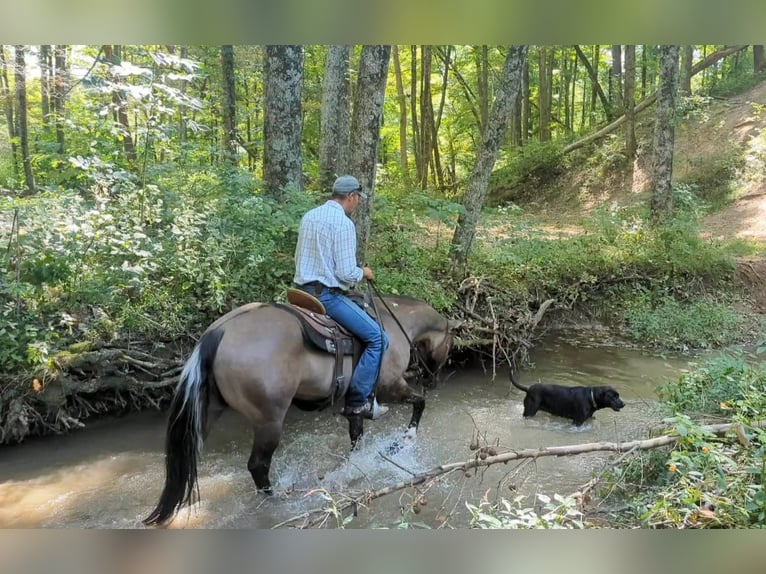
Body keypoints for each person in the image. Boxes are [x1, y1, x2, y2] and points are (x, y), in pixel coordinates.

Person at [293, 175, 389, 419]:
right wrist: (363, 272)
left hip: (299, 293)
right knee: (378, 339)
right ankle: (358, 402)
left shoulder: (310, 216)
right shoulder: (343, 224)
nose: (357, 203)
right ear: (351, 196)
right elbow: (345, 273)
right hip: (326, 297)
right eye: (357, 198)